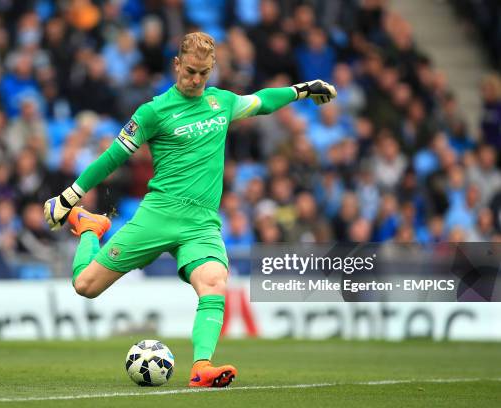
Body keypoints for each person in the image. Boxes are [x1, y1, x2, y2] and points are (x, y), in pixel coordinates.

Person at [43, 32, 336, 387]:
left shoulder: (221, 102)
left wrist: (302, 89)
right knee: (85, 286)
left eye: (204, 73)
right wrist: (70, 196)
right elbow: (112, 158)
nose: (196, 80)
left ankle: (201, 367)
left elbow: (262, 101)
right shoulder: (152, 112)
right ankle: (90, 228)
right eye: (190, 72)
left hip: (202, 224)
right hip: (159, 215)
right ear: (176, 65)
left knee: (214, 284)